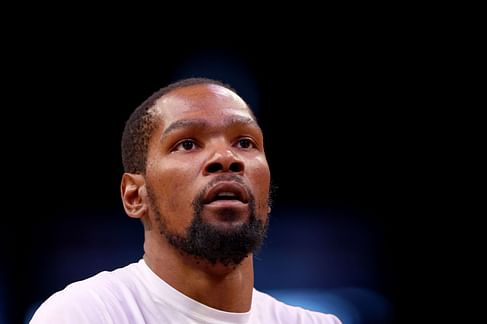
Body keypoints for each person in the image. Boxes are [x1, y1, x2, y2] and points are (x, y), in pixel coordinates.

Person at [30, 77, 342, 324]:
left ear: (266, 196)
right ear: (135, 196)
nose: (226, 157)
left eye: (245, 142)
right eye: (188, 143)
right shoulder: (85, 315)